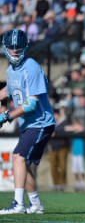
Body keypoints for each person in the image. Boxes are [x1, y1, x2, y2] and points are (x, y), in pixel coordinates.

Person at [0, 29, 55, 214]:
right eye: (11, 48)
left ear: (25, 47)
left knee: (18, 157)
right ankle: (36, 205)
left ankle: (18, 204)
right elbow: (7, 92)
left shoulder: (31, 67)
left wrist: (7, 116)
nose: (15, 51)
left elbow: (31, 104)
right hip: (29, 124)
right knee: (25, 163)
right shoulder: (10, 69)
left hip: (40, 122)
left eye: (19, 47)